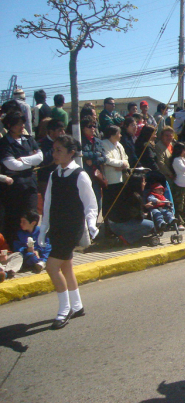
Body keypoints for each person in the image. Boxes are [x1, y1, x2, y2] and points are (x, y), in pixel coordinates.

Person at [39, 134, 98, 329]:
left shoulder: (80, 174)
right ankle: (78, 305)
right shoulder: (54, 175)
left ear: (71, 153)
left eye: (59, 150)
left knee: (51, 267)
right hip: (56, 226)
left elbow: (90, 203)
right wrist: (43, 229)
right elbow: (47, 204)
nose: (54, 154)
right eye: (53, 150)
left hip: (71, 228)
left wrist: (91, 224)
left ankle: (64, 310)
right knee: (66, 267)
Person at [0, 111, 43, 245]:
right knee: (15, 219)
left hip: (30, 186)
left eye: (23, 123)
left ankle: (33, 247)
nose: (22, 126)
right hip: (13, 188)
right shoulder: (4, 143)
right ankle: (16, 248)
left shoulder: (28, 139)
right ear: (9, 125)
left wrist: (23, 160)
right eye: (18, 124)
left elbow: (40, 157)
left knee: (31, 216)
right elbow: (12, 165)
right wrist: (31, 161)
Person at [107, 170, 155, 245]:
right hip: (119, 225)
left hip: (112, 223)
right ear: (138, 184)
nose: (145, 184)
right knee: (151, 225)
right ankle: (127, 239)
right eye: (143, 182)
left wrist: (143, 206)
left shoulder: (124, 191)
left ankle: (123, 237)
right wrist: (145, 214)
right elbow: (139, 217)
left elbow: (128, 209)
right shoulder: (135, 196)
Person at [101, 125, 129, 236]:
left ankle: (117, 228)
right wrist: (121, 164)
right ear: (112, 134)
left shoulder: (119, 145)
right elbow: (107, 159)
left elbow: (125, 158)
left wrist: (123, 165)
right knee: (109, 204)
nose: (120, 135)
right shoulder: (104, 144)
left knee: (119, 205)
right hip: (111, 179)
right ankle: (108, 228)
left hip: (121, 178)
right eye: (119, 133)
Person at [80, 116, 107, 213]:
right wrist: (95, 155)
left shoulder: (98, 141)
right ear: (83, 128)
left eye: (94, 126)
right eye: (89, 126)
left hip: (96, 176)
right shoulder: (80, 141)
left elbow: (104, 158)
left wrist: (93, 161)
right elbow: (81, 155)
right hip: (84, 177)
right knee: (85, 205)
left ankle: (93, 226)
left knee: (98, 204)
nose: (93, 128)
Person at [37, 119, 65, 200]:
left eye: (63, 130)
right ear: (51, 132)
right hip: (46, 179)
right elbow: (46, 160)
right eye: (60, 130)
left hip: (61, 177)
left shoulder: (64, 142)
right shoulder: (41, 144)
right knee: (48, 203)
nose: (63, 133)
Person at [169, 141, 185, 230]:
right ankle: (179, 222)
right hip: (179, 184)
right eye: (184, 150)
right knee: (179, 204)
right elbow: (184, 169)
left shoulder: (183, 159)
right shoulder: (176, 160)